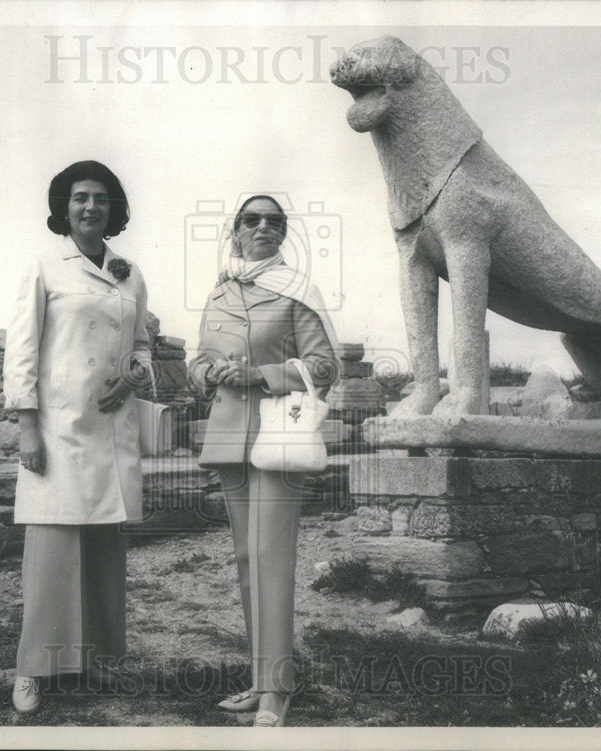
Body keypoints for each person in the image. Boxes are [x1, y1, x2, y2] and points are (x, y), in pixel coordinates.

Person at [2, 160, 150, 713]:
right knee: (51, 550)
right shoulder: (44, 265)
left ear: (114, 211)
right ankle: (33, 671)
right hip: (58, 430)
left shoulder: (129, 272)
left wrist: (135, 375)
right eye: (81, 197)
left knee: (103, 550)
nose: (91, 207)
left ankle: (99, 662)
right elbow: (21, 349)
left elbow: (142, 345)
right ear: (63, 207)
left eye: (102, 199)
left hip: (110, 428)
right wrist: (26, 427)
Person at [188, 195, 339, 727]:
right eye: (252, 220)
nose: (264, 228)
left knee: (272, 559)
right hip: (230, 434)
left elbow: (325, 367)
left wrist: (264, 374)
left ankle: (278, 688)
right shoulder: (220, 292)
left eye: (275, 222)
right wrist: (207, 373)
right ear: (236, 230)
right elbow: (198, 360)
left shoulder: (297, 292)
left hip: (279, 438)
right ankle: (260, 680)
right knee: (248, 560)